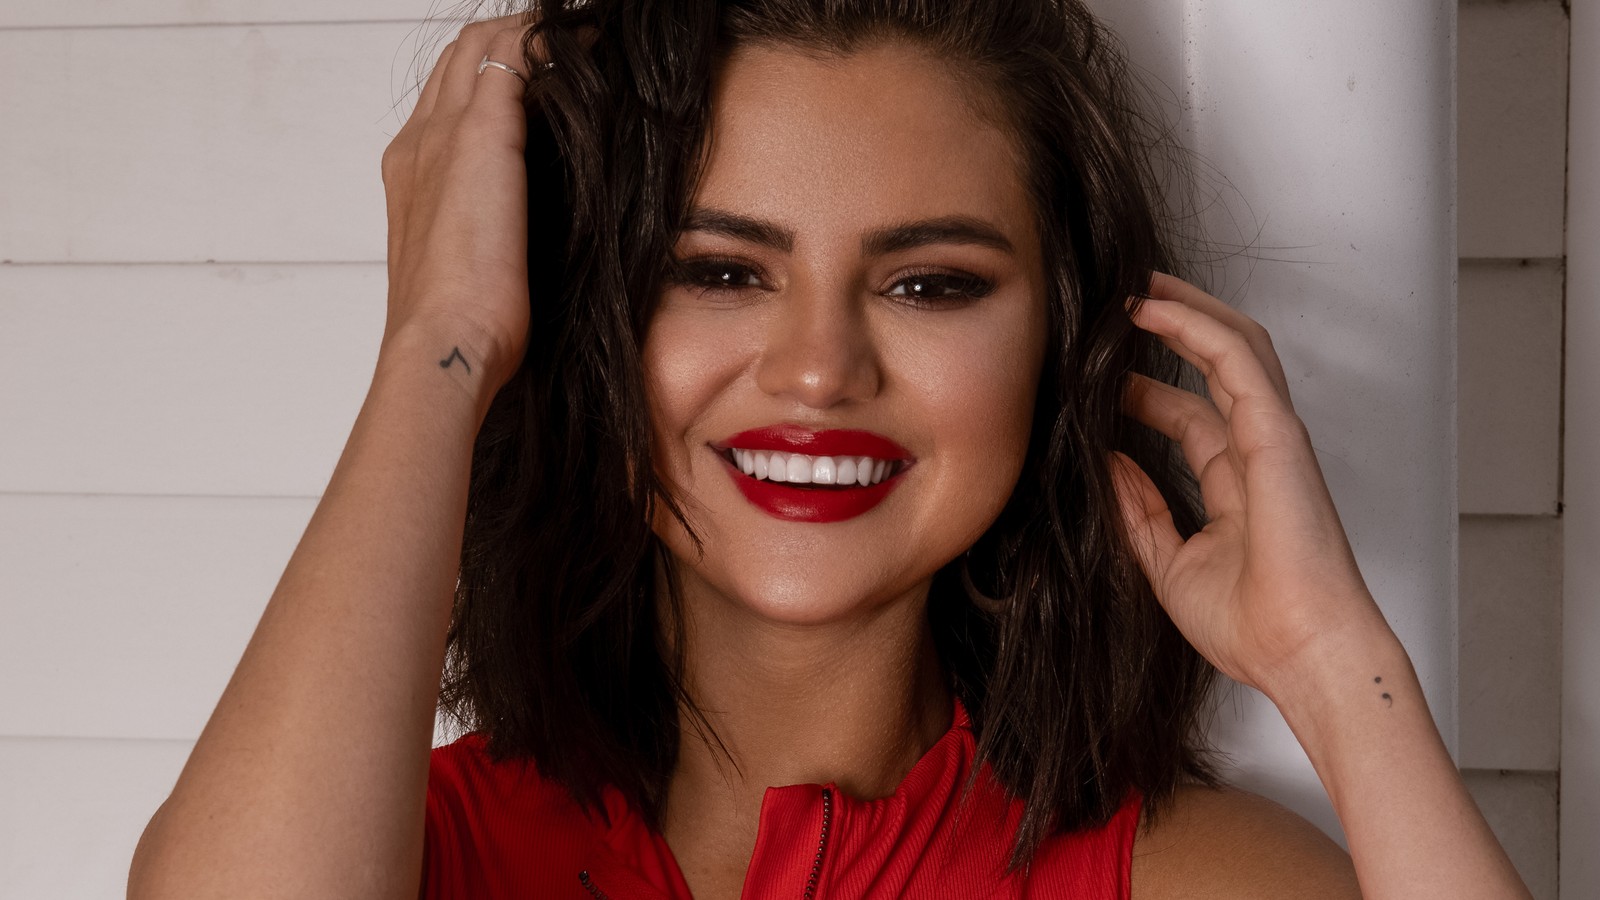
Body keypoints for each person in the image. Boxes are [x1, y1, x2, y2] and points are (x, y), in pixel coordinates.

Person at [128, 1, 1530, 897]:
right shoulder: (420, 852)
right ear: (587, 327)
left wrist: (1337, 672)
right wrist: (441, 346)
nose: (818, 368)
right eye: (719, 271)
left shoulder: (1191, 881)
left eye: (930, 285)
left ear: (1062, 347)